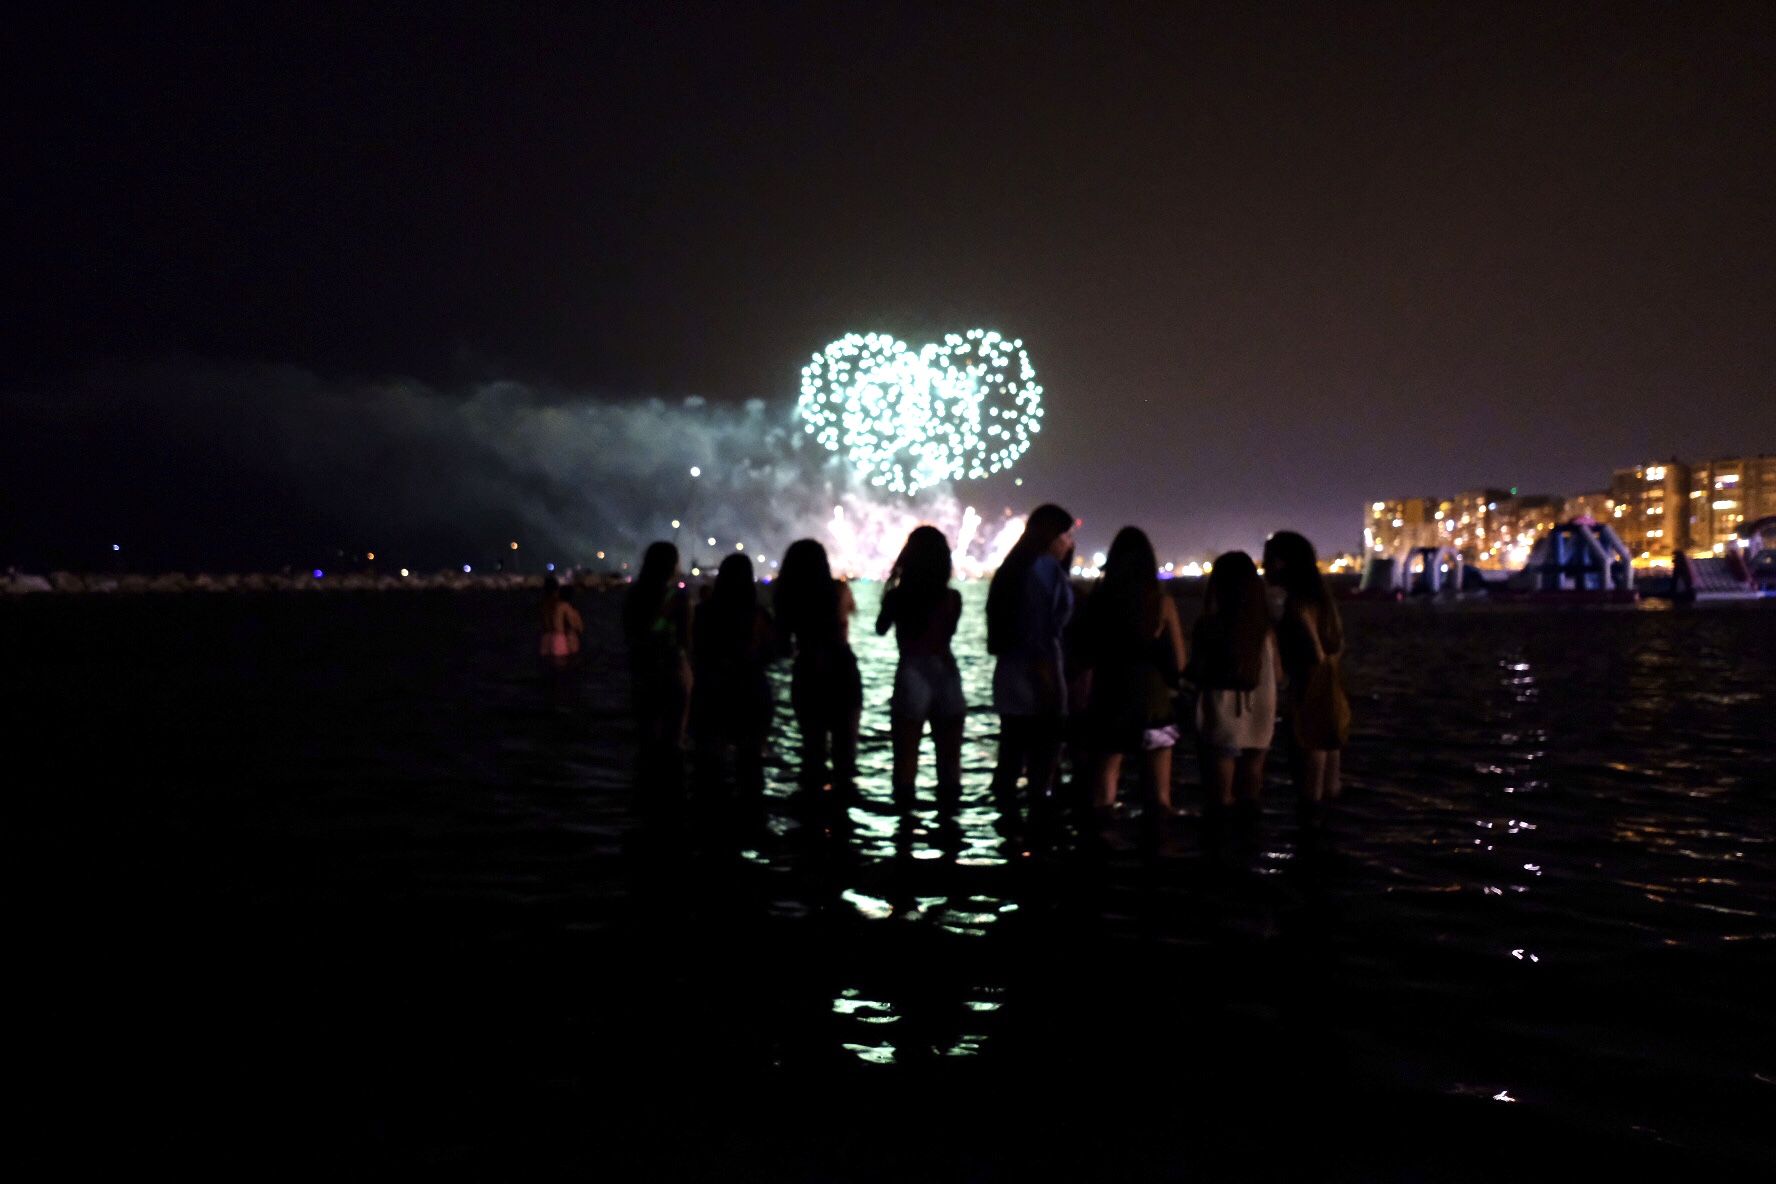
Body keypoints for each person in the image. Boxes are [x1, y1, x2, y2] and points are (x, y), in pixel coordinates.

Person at [1078, 526, 1186, 816]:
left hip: (1108, 697)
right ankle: (1158, 853)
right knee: (1159, 801)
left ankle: (1103, 853)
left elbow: (1085, 655)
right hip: (1152, 700)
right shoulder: (1162, 604)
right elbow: (1180, 662)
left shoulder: (1099, 601)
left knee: (1102, 795)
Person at [985, 503, 1076, 807]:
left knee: (1009, 761)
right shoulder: (1044, 570)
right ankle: (1039, 841)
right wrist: (1050, 686)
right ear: (1051, 536)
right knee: (1043, 772)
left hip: (1009, 678)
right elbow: (1040, 631)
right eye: (1065, 535)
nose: (1070, 543)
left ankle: (1007, 835)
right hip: (1040, 680)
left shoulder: (1010, 569)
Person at [1262, 531, 1350, 819]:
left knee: (1308, 795)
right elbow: (1334, 648)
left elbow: (1314, 654)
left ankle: (1309, 855)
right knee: (1330, 788)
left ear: (1282, 563)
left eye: (1269, 559)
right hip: (1332, 697)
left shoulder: (1296, 606)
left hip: (1308, 695)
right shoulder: (1324, 602)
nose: (1264, 566)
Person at [875, 525, 966, 805]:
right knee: (950, 763)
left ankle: (904, 828)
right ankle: (950, 829)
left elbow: (880, 628)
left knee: (905, 761)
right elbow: (947, 631)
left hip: (911, 670)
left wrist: (892, 592)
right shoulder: (952, 598)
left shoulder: (898, 596)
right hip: (946, 672)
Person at [1188, 551, 1279, 814]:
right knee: (1250, 794)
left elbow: (1196, 669)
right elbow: (1280, 674)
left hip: (1221, 712)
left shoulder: (1208, 626)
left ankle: (1219, 848)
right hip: (1260, 715)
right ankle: (1249, 846)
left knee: (1219, 799)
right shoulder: (1265, 630)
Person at [774, 539, 861, 791]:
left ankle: (811, 817)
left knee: (812, 753)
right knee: (845, 758)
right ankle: (842, 818)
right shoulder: (839, 591)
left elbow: (782, 647)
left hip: (808, 672)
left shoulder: (788, 598)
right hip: (842, 671)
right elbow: (850, 613)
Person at [690, 553, 775, 793]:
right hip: (752, 691)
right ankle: (752, 823)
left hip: (713, 691)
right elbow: (774, 652)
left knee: (709, 770)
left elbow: (697, 650)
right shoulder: (759, 615)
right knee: (750, 767)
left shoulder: (704, 612)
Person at [623, 541, 692, 775]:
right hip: (671, 669)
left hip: (642, 670)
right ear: (672, 565)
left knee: (646, 738)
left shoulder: (633, 595)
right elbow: (685, 639)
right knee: (673, 741)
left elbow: (628, 635)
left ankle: (644, 795)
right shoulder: (678, 597)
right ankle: (672, 795)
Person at [539, 575, 585, 666]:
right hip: (560, 637)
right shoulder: (563, 605)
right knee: (563, 666)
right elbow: (573, 625)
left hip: (545, 637)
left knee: (547, 665)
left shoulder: (543, 604)